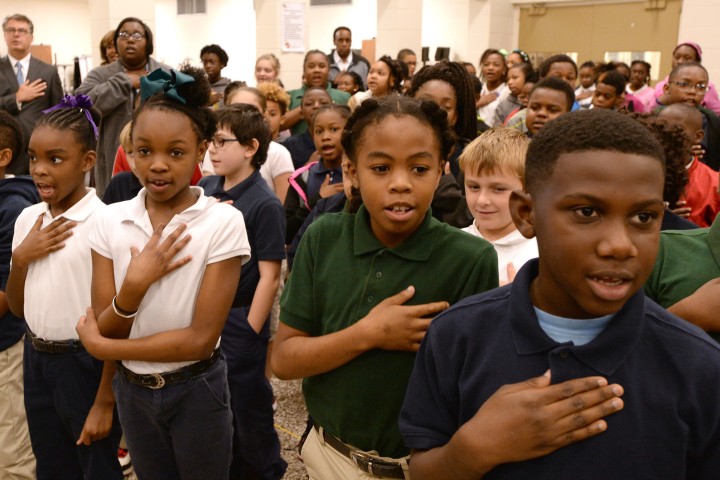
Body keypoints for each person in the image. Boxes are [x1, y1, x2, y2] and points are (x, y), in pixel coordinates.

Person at [400, 108, 720, 478]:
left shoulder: (700, 368)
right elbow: (424, 469)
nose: (619, 245)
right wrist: (473, 448)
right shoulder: (456, 336)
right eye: (586, 212)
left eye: (643, 218)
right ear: (526, 214)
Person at [272, 96, 499, 479]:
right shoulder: (323, 238)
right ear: (353, 171)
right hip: (328, 454)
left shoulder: (471, 258)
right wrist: (369, 333)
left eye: (419, 168)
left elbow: (472, 388)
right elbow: (284, 360)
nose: (399, 183)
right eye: (380, 167)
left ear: (442, 169)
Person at [74, 66, 250, 480]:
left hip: (197, 388)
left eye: (175, 152)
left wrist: (103, 350)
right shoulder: (110, 220)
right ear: (129, 150)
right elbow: (107, 324)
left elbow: (199, 339)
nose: (157, 165)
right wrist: (134, 286)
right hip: (133, 391)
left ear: (201, 149)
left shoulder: (221, 222)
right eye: (144, 150)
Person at [6, 95, 123, 479]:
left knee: (95, 466)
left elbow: (116, 322)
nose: (40, 170)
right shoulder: (27, 219)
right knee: (51, 466)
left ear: (88, 161)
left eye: (55, 160)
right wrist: (22, 258)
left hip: (86, 364)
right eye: (35, 158)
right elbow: (20, 309)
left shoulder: (105, 223)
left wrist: (105, 398)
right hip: (37, 357)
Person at [200, 104, 287, 480]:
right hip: (205, 314)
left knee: (248, 409)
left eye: (222, 141)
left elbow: (270, 275)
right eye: (211, 142)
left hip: (239, 315)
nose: (212, 151)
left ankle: (265, 470)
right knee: (214, 407)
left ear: (251, 147)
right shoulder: (205, 189)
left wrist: (250, 329)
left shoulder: (263, 201)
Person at [77, 17, 171, 196]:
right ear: (115, 43)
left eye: (137, 34)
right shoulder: (101, 74)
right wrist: (125, 82)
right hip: (113, 164)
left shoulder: (165, 74)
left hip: (160, 166)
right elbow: (81, 104)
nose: (130, 39)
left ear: (148, 42)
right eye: (123, 34)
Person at [0, 110, 38, 479]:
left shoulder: (13, 208)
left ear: (3, 157)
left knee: (12, 451)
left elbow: (6, 289)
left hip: (6, 345)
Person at [460, 128, 538, 284]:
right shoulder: (451, 245)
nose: (482, 200)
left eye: (498, 189)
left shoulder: (542, 254)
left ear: (528, 190)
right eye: (474, 187)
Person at [0, 14, 63, 175]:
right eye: (11, 30)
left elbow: (58, 112)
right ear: (4, 35)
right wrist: (16, 98)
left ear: (31, 37)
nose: (16, 34)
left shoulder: (48, 71)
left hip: (40, 152)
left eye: (21, 30)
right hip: (4, 153)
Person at [284, 104, 348, 245]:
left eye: (334, 129)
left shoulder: (359, 174)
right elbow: (287, 232)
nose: (325, 137)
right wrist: (317, 200)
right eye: (318, 131)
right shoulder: (303, 178)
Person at [658, 103, 720, 227]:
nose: (666, 134)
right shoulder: (643, 172)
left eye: (677, 129)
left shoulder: (713, 183)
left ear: (698, 137)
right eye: (661, 127)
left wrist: (678, 223)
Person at [659, 62, 720, 170]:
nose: (692, 91)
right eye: (684, 84)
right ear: (667, 89)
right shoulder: (654, 118)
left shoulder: (712, 121)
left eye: (701, 87)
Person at [285, 50, 350, 135]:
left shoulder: (344, 96)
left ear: (329, 70)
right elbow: (279, 125)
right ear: (304, 71)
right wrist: (307, 106)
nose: (316, 70)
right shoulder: (290, 96)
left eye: (322, 66)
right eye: (311, 67)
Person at [654, 42, 720, 116]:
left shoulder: (708, 87)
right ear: (667, 88)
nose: (680, 61)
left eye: (687, 58)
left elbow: (717, 114)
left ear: (697, 61)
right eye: (677, 57)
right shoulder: (660, 86)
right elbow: (648, 110)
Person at [282, 87, 332, 170]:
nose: (316, 106)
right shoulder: (290, 145)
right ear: (301, 114)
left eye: (323, 103)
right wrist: (308, 166)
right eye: (309, 104)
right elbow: (288, 181)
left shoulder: (343, 142)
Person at [476, 49, 508, 128]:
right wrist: (478, 103)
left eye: (496, 65)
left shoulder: (507, 92)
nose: (490, 68)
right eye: (486, 64)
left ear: (504, 70)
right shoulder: (478, 89)